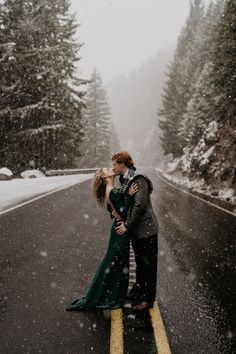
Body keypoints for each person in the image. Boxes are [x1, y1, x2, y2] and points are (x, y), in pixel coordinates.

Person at [66, 167, 138, 311]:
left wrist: (114, 210)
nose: (110, 168)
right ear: (104, 176)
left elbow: (115, 209)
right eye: (106, 169)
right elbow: (123, 212)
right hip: (120, 231)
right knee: (114, 263)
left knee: (115, 263)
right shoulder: (110, 189)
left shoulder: (111, 188)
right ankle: (108, 296)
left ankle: (112, 294)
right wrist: (129, 196)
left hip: (118, 229)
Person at [112, 151, 159, 311]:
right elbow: (126, 201)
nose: (113, 167)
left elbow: (139, 206)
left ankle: (148, 299)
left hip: (146, 229)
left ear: (122, 164)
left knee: (149, 265)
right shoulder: (125, 179)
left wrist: (127, 225)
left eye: (114, 164)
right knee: (140, 262)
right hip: (137, 231)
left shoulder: (138, 178)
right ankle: (138, 289)